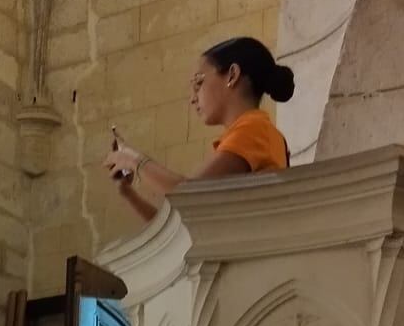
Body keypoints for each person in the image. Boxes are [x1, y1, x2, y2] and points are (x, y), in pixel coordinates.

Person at [102, 35, 295, 223]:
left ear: (232, 75)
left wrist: (133, 159)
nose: (193, 98)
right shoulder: (255, 132)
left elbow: (187, 195)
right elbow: (180, 226)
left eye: (199, 82)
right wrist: (127, 193)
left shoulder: (255, 129)